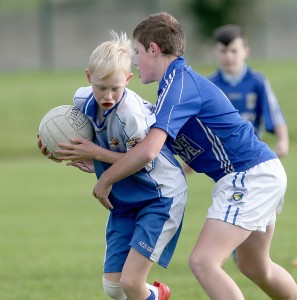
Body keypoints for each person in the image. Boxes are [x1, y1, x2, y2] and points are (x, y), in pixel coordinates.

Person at [83, 12, 297, 300]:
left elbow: (148, 151)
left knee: (203, 262)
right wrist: (97, 157)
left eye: (138, 52)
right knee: (255, 267)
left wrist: (105, 180)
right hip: (260, 172)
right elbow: (151, 150)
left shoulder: (178, 85)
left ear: (154, 49)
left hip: (248, 176)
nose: (135, 60)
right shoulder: (174, 85)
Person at [39, 31, 188, 300]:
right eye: (101, 87)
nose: (107, 95)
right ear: (88, 78)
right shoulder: (82, 101)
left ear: (128, 80)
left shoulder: (131, 115)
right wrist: (57, 147)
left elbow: (144, 158)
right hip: (124, 198)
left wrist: (96, 153)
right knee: (114, 288)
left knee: (131, 283)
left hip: (159, 196)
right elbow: (86, 140)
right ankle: (156, 295)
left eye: (115, 88)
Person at [208, 24, 289, 158]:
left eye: (233, 51)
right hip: (222, 156)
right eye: (223, 51)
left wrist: (283, 141)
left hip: (252, 152)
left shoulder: (257, 81)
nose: (228, 56)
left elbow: (275, 113)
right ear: (215, 52)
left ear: (245, 51)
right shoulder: (210, 85)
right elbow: (199, 123)